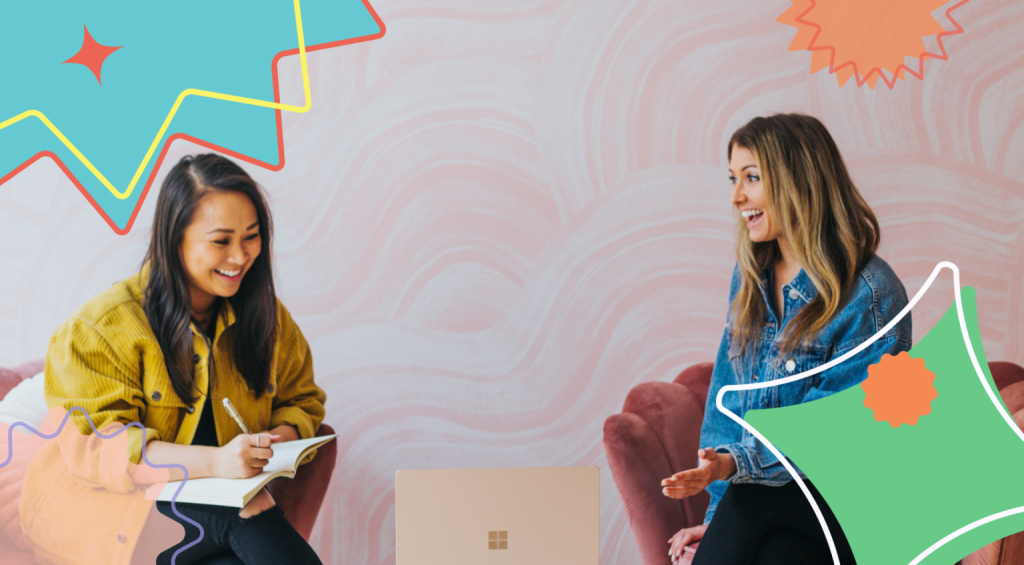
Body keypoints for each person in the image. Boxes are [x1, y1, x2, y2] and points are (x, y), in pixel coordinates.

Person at [21, 154, 327, 565]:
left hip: (199, 516)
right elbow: (105, 450)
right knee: (246, 509)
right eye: (221, 241)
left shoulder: (265, 318)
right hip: (101, 513)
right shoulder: (100, 328)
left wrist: (277, 440)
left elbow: (303, 400)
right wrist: (218, 462)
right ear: (174, 238)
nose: (240, 257)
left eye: (251, 237)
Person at [661, 114, 912, 564]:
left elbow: (831, 437)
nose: (736, 196)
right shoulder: (751, 276)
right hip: (783, 516)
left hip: (856, 508)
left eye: (752, 178)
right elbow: (727, 402)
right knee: (777, 554)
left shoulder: (870, 295)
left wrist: (736, 468)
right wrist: (716, 516)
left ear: (799, 180)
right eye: (734, 178)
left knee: (751, 498)